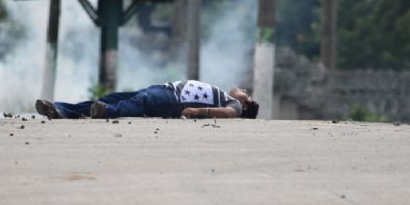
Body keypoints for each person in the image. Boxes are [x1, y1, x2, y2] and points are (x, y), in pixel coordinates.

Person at [35, 80, 259, 119]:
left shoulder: (235, 106)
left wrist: (197, 112)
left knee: (137, 104)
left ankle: (107, 112)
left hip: (172, 99)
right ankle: (60, 109)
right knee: (110, 97)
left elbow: (229, 114)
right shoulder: (225, 96)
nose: (241, 89)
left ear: (245, 103)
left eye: (245, 93)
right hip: (164, 89)